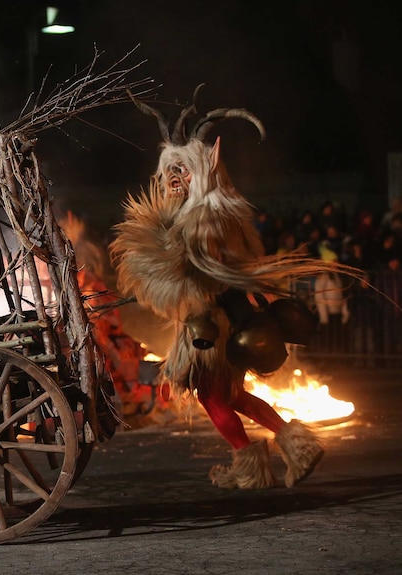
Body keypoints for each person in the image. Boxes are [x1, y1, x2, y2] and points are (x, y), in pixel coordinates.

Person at [110, 87, 360, 489]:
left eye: (183, 171)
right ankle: (294, 447)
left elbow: (206, 269)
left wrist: (164, 264)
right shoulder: (204, 213)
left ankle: (253, 465)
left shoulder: (207, 217)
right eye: (169, 171)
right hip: (219, 318)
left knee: (212, 397)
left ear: (207, 168)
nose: (173, 179)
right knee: (231, 396)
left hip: (213, 323)